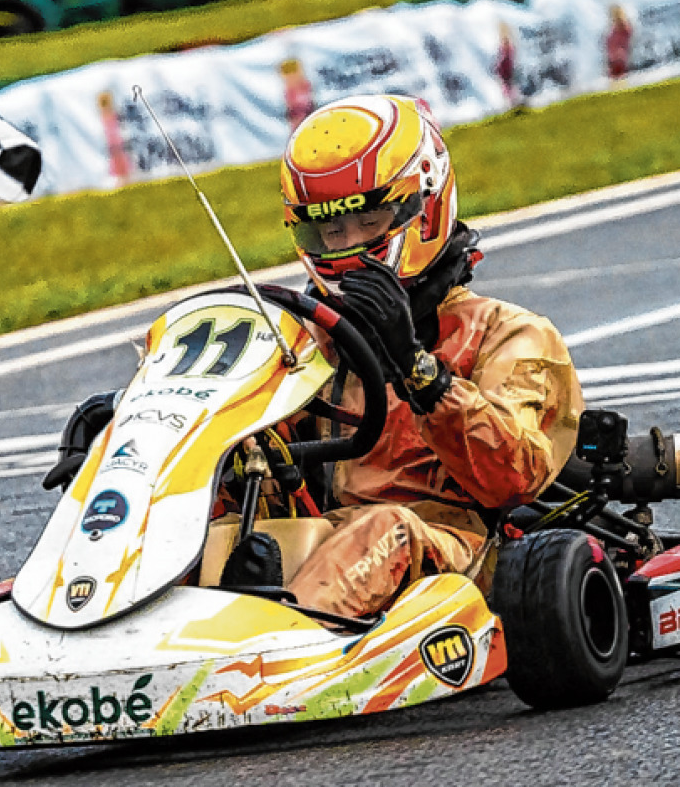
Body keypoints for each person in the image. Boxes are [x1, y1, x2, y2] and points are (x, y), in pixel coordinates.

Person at [46, 95, 581, 618]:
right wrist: (135, 428)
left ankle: (274, 651)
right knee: (182, 523)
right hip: (303, 543)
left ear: (424, 207)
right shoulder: (291, 341)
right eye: (329, 229)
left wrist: (418, 369)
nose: (347, 246)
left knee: (381, 528)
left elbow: (514, 478)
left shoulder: (510, 334)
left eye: (368, 223)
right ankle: (78, 624)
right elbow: (238, 462)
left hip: (454, 550)